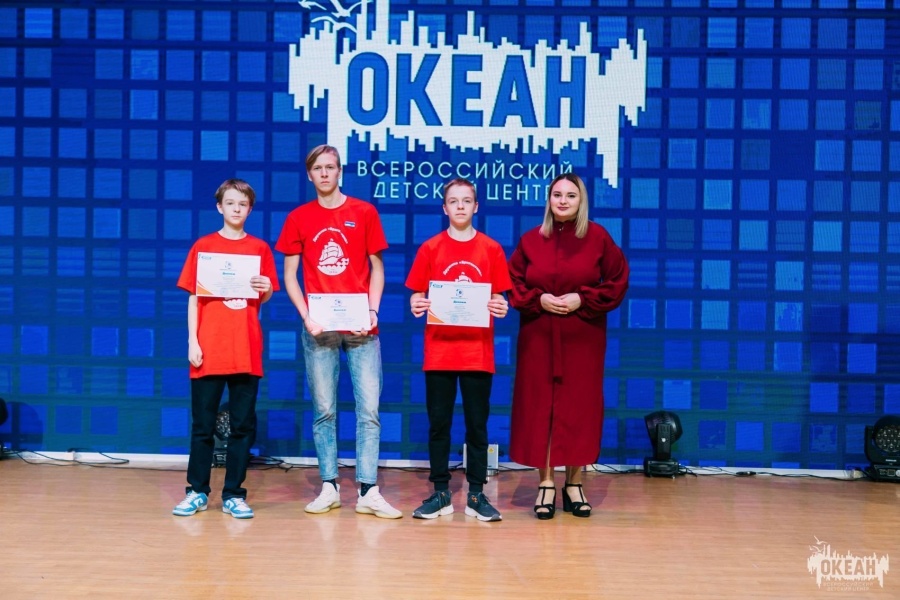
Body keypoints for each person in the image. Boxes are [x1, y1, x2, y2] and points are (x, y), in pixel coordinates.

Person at [275, 144, 401, 519]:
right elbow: (289, 276)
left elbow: (378, 269)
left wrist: (373, 312)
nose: (325, 174)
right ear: (309, 174)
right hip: (320, 328)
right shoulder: (299, 217)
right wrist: (306, 317)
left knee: (369, 411)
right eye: (318, 168)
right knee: (324, 410)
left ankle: (368, 490)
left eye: (331, 167)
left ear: (340, 171)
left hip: (361, 326)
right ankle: (329, 486)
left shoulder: (364, 212)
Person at [508, 173, 629, 520]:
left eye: (570, 195)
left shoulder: (598, 238)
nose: (562, 201)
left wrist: (582, 298)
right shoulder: (531, 240)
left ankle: (574, 483)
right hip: (539, 336)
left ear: (581, 201)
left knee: (578, 409)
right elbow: (512, 282)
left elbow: (618, 280)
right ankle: (546, 483)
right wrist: (539, 299)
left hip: (582, 337)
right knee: (540, 408)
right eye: (557, 195)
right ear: (549, 200)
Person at [405, 178, 512, 522]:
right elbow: (416, 294)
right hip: (439, 352)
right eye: (454, 201)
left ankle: (477, 494)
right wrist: (417, 303)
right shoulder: (431, 248)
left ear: (476, 206)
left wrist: (501, 306)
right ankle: (441, 493)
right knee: (439, 425)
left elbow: (499, 297)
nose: (461, 206)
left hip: (477, 354)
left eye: (467, 201)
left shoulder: (491, 249)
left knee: (477, 426)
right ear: (445, 208)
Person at [173, 178, 279, 519]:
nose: (236, 209)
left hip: (245, 347)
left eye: (243, 204)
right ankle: (197, 491)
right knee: (202, 426)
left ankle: (234, 493)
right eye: (230, 203)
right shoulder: (204, 246)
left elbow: (264, 297)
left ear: (250, 209)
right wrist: (193, 341)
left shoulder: (260, 248)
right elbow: (194, 298)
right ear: (219, 207)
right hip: (209, 347)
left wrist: (266, 288)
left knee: (242, 426)